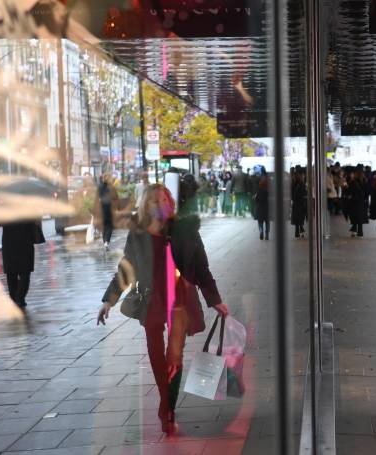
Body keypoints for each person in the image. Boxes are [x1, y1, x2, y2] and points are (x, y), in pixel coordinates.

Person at [97, 184, 229, 434]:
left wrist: (215, 300)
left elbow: (202, 268)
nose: (161, 205)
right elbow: (127, 269)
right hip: (151, 300)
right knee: (156, 354)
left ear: (171, 202)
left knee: (174, 355)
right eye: (154, 202)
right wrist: (108, 301)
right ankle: (166, 401)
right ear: (145, 206)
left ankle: (167, 407)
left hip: (179, 300)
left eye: (164, 199)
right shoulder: (138, 233)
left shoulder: (186, 230)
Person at [2, 220, 42, 309]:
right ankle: (19, 299)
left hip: (10, 242)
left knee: (12, 273)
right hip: (25, 241)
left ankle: (15, 299)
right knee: (24, 272)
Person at [97, 173, 119, 250]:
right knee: (109, 226)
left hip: (102, 209)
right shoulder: (111, 187)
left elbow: (98, 198)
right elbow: (116, 197)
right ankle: (107, 241)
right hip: (110, 208)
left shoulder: (99, 186)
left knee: (104, 226)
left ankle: (104, 242)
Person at [343, 167, 367, 237]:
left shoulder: (353, 182)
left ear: (356, 174)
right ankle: (360, 232)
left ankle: (354, 231)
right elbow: (367, 191)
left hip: (354, 201)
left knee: (354, 216)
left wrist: (345, 187)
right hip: (361, 201)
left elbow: (349, 191)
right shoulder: (364, 181)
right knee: (359, 216)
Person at [291, 171, 307, 238]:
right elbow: (304, 193)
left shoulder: (293, 184)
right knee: (300, 217)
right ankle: (300, 230)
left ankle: (297, 232)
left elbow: (291, 194)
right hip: (301, 203)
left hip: (295, 203)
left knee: (297, 218)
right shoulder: (302, 184)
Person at [254, 176, 271, 240]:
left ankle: (261, 231)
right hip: (267, 210)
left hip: (260, 209)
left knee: (260, 222)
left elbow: (256, 200)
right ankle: (267, 234)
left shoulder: (258, 191)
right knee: (267, 222)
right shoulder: (269, 191)